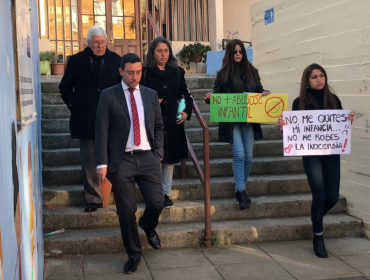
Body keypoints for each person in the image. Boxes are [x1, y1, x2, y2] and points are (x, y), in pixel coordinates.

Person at [95, 53, 164, 274]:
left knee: (156, 203)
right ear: (121, 72)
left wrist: (158, 153)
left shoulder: (150, 94)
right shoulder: (108, 95)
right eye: (130, 73)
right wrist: (101, 164)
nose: (135, 77)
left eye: (138, 72)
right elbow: (101, 131)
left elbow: (160, 126)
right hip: (121, 160)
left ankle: (148, 226)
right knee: (126, 210)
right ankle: (134, 254)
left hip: (147, 157)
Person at [278, 63, 356, 258]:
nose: (319, 79)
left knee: (333, 197)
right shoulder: (299, 102)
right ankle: (318, 237)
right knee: (320, 196)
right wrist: (283, 125)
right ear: (307, 80)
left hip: (331, 154)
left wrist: (348, 119)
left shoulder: (334, 99)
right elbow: (293, 129)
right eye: (314, 77)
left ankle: (316, 219)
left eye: (322, 75)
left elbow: (339, 126)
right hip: (311, 154)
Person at [59, 26, 121, 212]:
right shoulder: (77, 61)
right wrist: (74, 105)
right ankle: (93, 198)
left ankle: (116, 194)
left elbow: (123, 87)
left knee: (115, 156)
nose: (100, 46)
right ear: (88, 43)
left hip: (112, 118)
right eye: (96, 43)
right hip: (86, 118)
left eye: (103, 42)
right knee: (89, 159)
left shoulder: (116, 60)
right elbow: (65, 87)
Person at [204, 39, 270, 210]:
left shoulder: (253, 72)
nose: (238, 54)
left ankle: (242, 187)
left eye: (241, 51)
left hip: (249, 119)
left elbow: (259, 90)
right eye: (235, 52)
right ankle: (240, 191)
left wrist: (264, 94)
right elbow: (217, 96)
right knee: (239, 154)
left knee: (248, 155)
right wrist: (210, 99)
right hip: (231, 120)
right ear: (230, 54)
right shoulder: (223, 73)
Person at [140, 37, 193, 208]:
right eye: (159, 51)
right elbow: (137, 95)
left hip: (172, 120)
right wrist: (152, 104)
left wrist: (186, 111)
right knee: (154, 159)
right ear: (152, 52)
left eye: (166, 51)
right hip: (152, 121)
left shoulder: (177, 71)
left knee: (169, 160)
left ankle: (165, 193)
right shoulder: (145, 72)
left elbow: (184, 94)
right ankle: (152, 193)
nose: (163, 54)